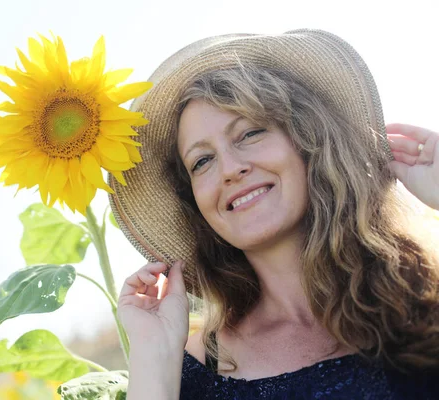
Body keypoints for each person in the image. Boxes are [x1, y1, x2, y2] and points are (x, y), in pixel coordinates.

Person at [110, 29, 439, 399]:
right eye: (202, 161)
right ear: (195, 204)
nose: (230, 169)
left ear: (308, 141)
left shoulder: (425, 294)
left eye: (249, 134)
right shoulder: (197, 366)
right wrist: (153, 356)